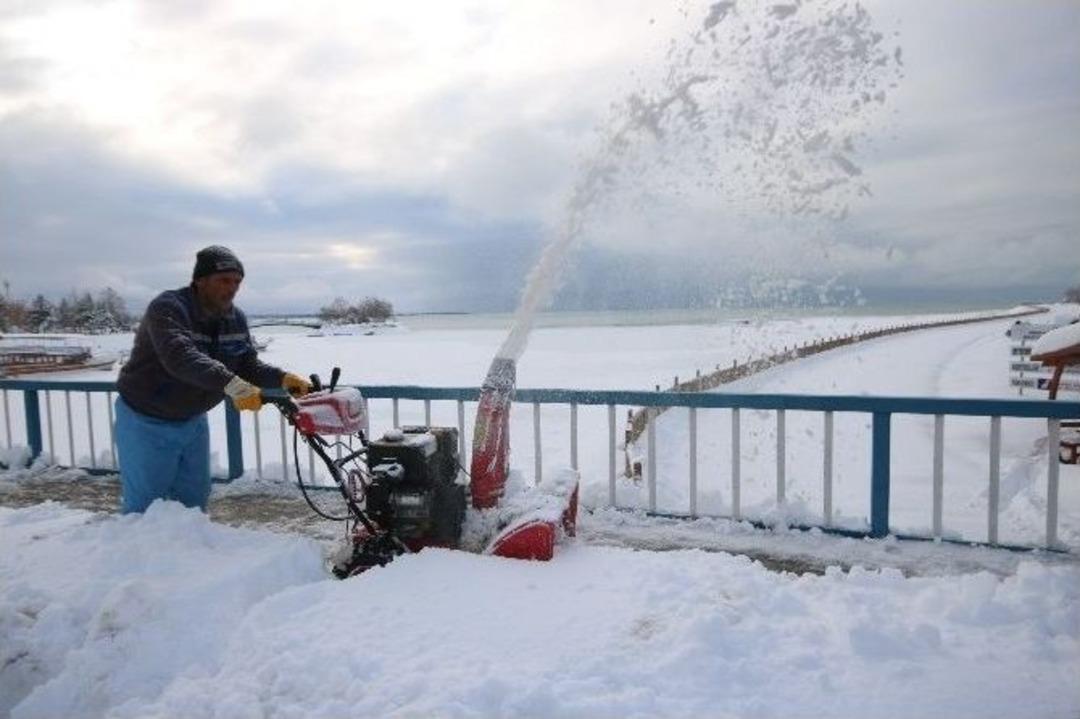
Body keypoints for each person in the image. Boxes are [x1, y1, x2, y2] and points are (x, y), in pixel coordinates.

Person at [115, 245, 311, 513]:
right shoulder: (168, 308)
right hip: (146, 418)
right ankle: (135, 553)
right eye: (223, 280)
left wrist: (283, 379)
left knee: (194, 502)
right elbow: (180, 357)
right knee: (146, 508)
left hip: (193, 421)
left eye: (237, 282)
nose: (231, 288)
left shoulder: (235, 318)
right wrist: (233, 385)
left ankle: (188, 554)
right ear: (199, 280)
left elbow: (246, 364)